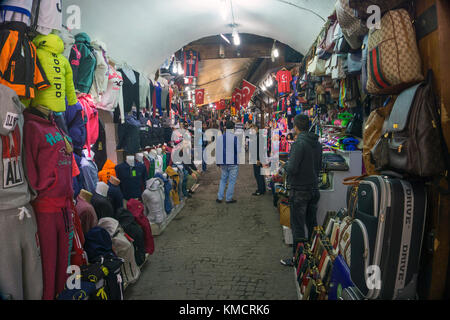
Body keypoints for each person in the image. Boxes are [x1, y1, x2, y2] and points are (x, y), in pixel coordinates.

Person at [280, 114, 322, 267]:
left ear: (296, 127)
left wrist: (284, 164)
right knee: (312, 224)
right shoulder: (316, 144)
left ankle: (298, 260)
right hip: (313, 188)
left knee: (298, 227)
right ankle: (314, 257)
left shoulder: (299, 144)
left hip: (300, 191)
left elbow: (292, 168)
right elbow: (319, 166)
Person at [216, 120, 240, 204]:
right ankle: (228, 198)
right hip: (233, 162)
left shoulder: (220, 138)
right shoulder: (235, 138)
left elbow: (218, 151)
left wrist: (218, 162)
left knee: (223, 180)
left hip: (223, 162)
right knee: (231, 181)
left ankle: (219, 197)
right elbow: (238, 150)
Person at [252, 125, 266, 196]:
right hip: (258, 158)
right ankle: (262, 189)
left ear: (256, 129)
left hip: (257, 159)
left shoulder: (257, 137)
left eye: (253, 129)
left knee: (258, 174)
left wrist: (258, 159)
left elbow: (258, 149)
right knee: (260, 174)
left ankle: (260, 190)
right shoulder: (258, 136)